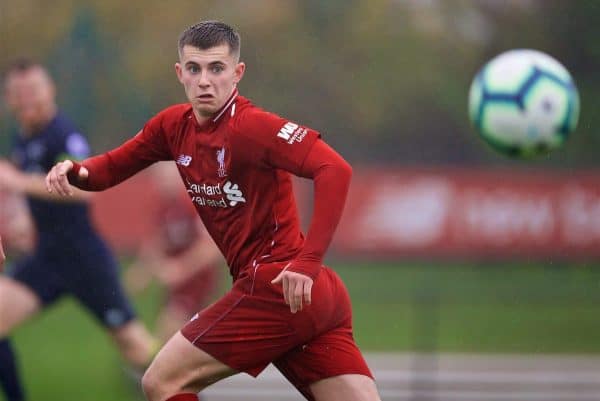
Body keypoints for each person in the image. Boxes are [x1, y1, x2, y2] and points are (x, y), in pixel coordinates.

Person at [46, 20, 382, 401]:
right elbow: (110, 167)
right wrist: (76, 170)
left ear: (237, 73)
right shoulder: (173, 126)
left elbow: (335, 169)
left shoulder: (252, 127)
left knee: (162, 381)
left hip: (276, 285)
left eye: (216, 68)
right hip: (305, 300)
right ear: (180, 73)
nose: (205, 80)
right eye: (194, 69)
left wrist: (307, 262)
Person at [0, 59, 157, 401]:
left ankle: (188, 388)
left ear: (50, 91)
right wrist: (26, 219)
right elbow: (39, 190)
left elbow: (83, 191)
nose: (27, 100)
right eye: (19, 94)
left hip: (84, 259)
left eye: (33, 92)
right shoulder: (22, 137)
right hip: (46, 258)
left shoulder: (64, 134)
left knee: (135, 347)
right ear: (9, 99)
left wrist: (17, 182)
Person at [125, 162, 223, 341]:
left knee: (169, 332)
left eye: (167, 178)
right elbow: (158, 242)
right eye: (158, 178)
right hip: (177, 286)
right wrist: (142, 271)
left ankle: (146, 367)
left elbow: (212, 247)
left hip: (197, 282)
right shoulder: (164, 207)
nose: (162, 183)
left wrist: (181, 269)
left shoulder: (194, 204)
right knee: (185, 338)